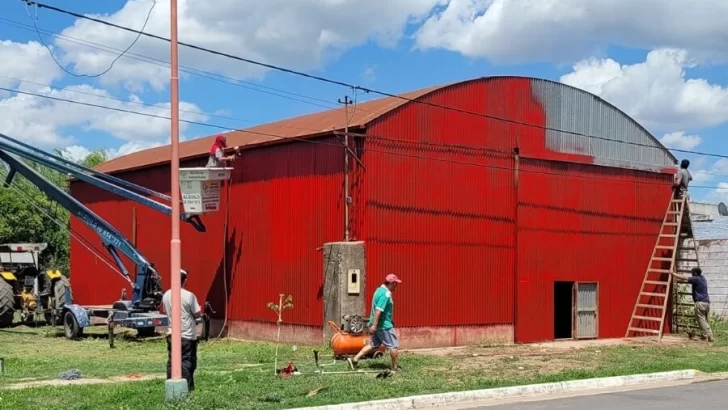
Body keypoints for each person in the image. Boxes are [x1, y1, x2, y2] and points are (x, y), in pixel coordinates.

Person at [347, 273, 402, 372]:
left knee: (373, 345)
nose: (396, 286)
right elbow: (378, 310)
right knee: (393, 346)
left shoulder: (378, 290)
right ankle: (395, 368)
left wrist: (373, 324)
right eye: (396, 283)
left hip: (377, 324)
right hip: (383, 326)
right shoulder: (386, 294)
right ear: (392, 283)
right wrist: (375, 325)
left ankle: (354, 359)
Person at [162, 269, 203, 391]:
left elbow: (165, 311)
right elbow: (197, 314)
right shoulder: (189, 296)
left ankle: (171, 387)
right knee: (187, 362)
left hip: (172, 334)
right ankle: (187, 389)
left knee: (172, 361)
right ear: (184, 280)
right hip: (187, 335)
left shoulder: (166, 295)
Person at [671, 267, 714, 342]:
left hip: (700, 303)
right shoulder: (702, 278)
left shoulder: (696, 279)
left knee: (701, 320)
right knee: (705, 320)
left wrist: (673, 274)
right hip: (706, 302)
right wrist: (678, 279)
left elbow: (685, 278)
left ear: (695, 273)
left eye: (692, 273)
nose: (692, 274)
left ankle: (705, 336)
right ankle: (710, 336)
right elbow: (687, 280)